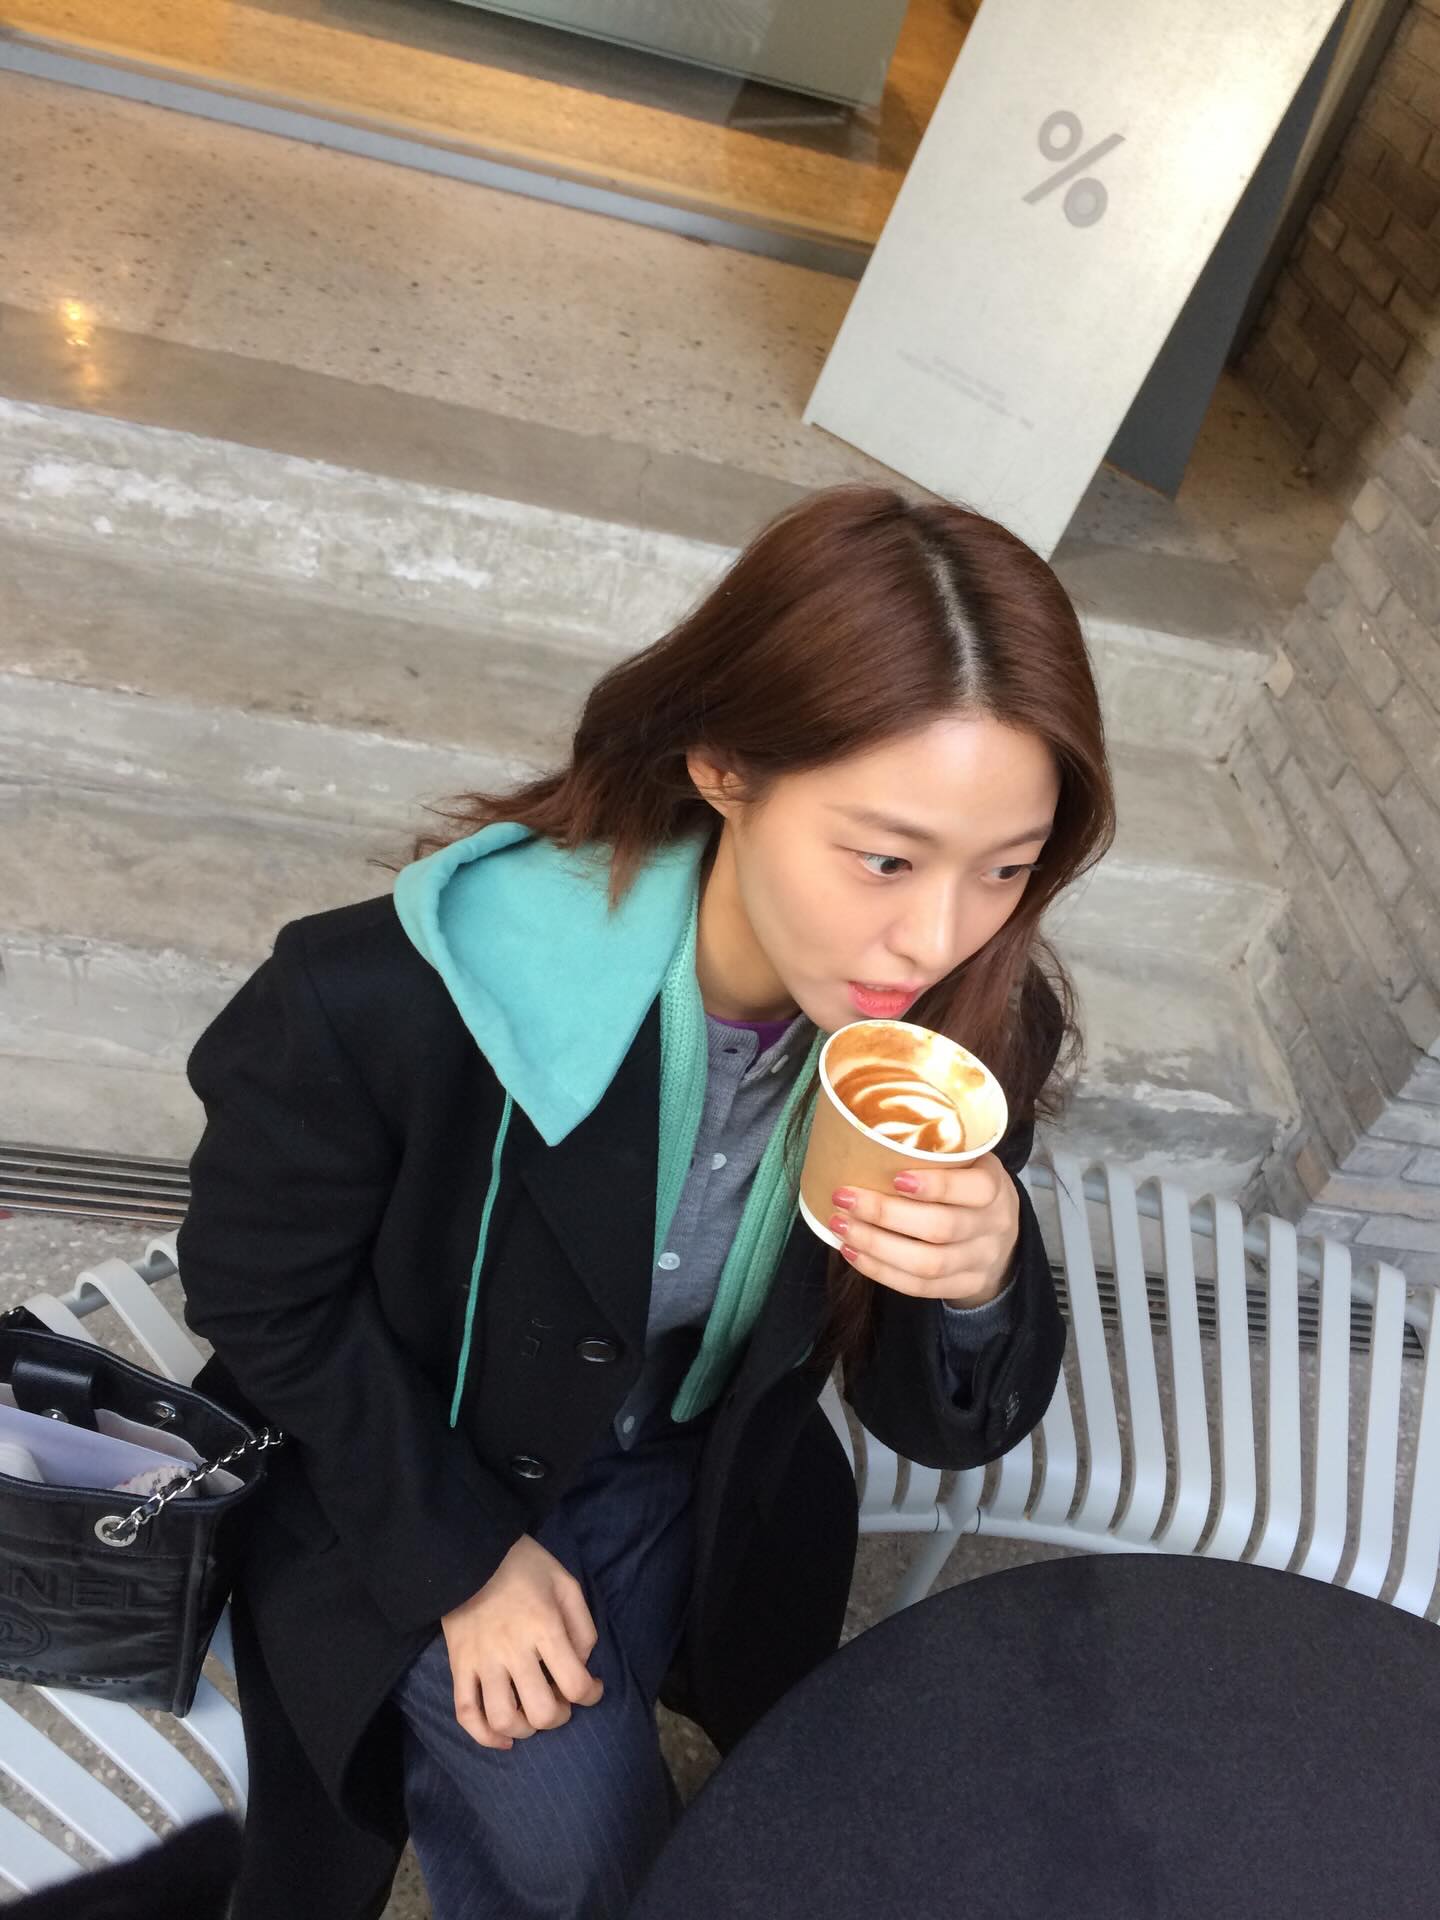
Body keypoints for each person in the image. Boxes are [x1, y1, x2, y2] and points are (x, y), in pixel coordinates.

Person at [175, 484, 1115, 1920]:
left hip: (701, 1470)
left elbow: (938, 1419)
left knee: (821, 1827)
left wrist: (982, 1277)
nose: (934, 937)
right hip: (412, 1466)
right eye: (885, 857)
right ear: (725, 765)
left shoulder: (969, 1031)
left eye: (1006, 870)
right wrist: (463, 1562)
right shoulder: (398, 998)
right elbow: (260, 1290)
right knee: (599, 1860)